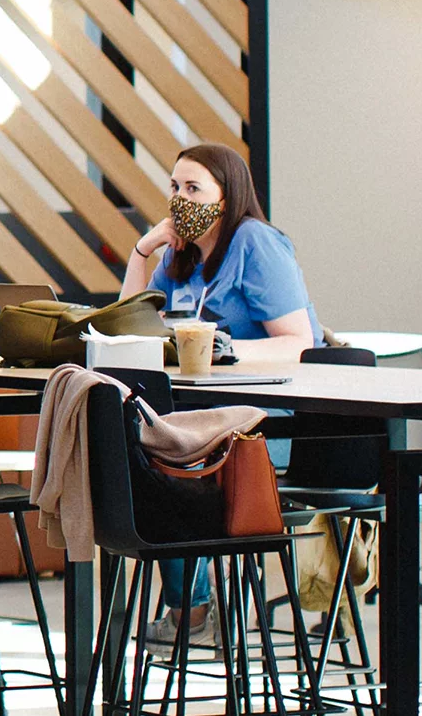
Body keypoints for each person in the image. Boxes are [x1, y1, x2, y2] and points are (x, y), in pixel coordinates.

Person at [120, 141, 320, 654]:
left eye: (193, 189)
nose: (180, 199)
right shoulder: (181, 257)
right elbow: (129, 328)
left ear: (225, 198)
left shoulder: (256, 242)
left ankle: (191, 611)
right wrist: (144, 251)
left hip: (259, 424)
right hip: (198, 420)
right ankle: (192, 607)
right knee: (137, 454)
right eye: (174, 188)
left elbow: (300, 341)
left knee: (161, 463)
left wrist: (223, 350)